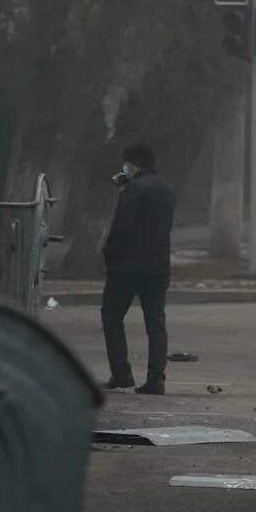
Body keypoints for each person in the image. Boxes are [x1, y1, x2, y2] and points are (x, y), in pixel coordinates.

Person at [101, 142, 177, 395]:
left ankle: (121, 374)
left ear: (132, 164)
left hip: (127, 266)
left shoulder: (134, 188)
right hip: (158, 266)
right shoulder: (166, 188)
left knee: (111, 316)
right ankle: (156, 379)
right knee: (155, 321)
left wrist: (108, 253)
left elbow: (121, 227)